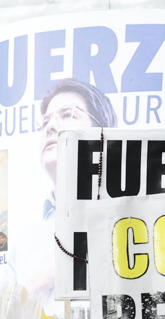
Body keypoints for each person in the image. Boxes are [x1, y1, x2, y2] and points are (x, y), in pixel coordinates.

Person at [40, 78, 117, 220]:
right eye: (45, 121)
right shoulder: (22, 240)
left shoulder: (129, 222)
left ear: (101, 134)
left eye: (67, 115)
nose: (50, 127)